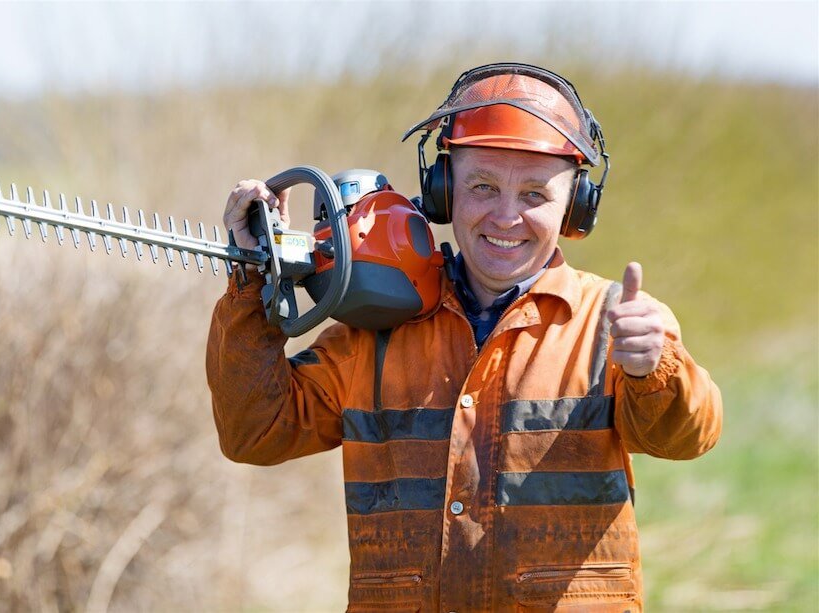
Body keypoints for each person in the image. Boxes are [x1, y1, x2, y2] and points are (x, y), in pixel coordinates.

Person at [206, 63, 722, 612]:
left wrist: (653, 368)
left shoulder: (616, 321)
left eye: (534, 194)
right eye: (481, 186)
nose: (506, 216)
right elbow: (254, 433)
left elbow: (688, 437)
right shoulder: (376, 334)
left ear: (575, 206)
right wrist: (252, 281)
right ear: (443, 191)